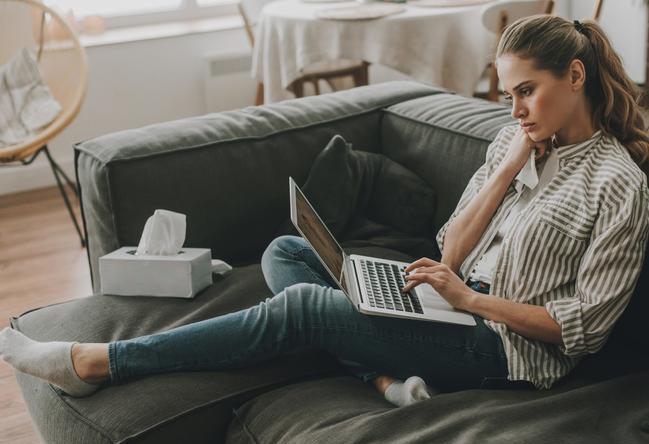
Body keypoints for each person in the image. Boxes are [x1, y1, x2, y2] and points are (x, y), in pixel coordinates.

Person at [1, 15, 648, 407]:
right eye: (507, 94)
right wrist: (505, 170)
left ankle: (98, 361)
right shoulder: (514, 142)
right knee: (289, 251)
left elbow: (581, 329)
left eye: (526, 92)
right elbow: (451, 250)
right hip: (450, 300)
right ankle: (382, 374)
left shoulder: (618, 185)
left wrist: (471, 301)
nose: (513, 111)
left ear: (575, 75)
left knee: (303, 308)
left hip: (504, 349)